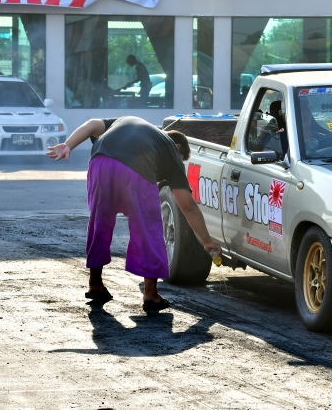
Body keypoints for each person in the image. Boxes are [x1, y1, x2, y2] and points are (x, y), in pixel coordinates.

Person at [46, 117, 222, 312]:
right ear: (178, 147)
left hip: (99, 162)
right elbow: (188, 206)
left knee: (100, 223)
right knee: (149, 227)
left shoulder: (128, 122)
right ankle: (151, 295)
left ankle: (95, 284)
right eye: (182, 159)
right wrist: (207, 241)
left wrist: (68, 145)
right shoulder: (171, 150)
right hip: (136, 169)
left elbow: (92, 124)